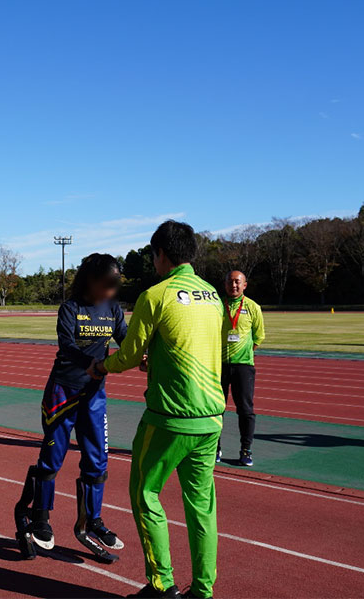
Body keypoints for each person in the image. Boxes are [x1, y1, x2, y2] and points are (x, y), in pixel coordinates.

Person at [89, 220, 223, 599]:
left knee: (146, 493)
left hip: (169, 417)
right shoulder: (213, 295)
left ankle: (161, 584)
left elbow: (129, 355)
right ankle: (202, 590)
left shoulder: (156, 295)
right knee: (201, 507)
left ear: (161, 254)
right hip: (211, 417)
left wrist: (101, 366)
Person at [14, 254, 128, 563]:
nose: (112, 289)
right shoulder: (70, 309)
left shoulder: (113, 310)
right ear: (91, 280)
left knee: (97, 460)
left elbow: (126, 340)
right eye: (108, 283)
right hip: (63, 392)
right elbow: (67, 346)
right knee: (51, 458)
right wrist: (90, 363)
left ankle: (92, 521)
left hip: (94, 396)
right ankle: (40, 517)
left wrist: (140, 356)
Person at [219, 270, 265, 467]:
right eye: (230, 282)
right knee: (215, 409)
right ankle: (215, 448)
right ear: (225, 284)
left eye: (238, 282)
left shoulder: (253, 307)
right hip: (217, 365)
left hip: (243, 366)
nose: (234, 285)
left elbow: (259, 337)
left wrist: (243, 353)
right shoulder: (216, 305)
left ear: (245, 285)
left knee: (245, 410)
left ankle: (246, 450)